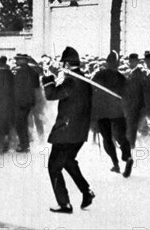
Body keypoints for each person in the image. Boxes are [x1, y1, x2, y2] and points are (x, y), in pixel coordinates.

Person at [42, 46, 94, 214]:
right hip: (78, 131)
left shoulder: (72, 81)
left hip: (67, 132)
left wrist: (47, 77)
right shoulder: (83, 79)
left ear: (67, 64)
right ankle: (86, 191)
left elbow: (51, 95)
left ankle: (64, 204)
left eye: (62, 63)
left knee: (53, 166)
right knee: (68, 161)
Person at [91, 51, 130, 173]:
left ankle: (115, 164)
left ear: (107, 63)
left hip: (102, 112)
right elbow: (127, 95)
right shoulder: (121, 77)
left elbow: (91, 91)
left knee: (107, 139)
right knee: (121, 136)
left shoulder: (98, 75)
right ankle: (127, 155)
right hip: (117, 112)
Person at [12, 53, 40, 152]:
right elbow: (37, 86)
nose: (16, 61)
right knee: (24, 122)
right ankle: (25, 143)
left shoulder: (17, 71)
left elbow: (13, 86)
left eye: (18, 59)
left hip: (19, 101)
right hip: (29, 101)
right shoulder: (33, 72)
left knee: (20, 123)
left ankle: (24, 144)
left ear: (23, 61)